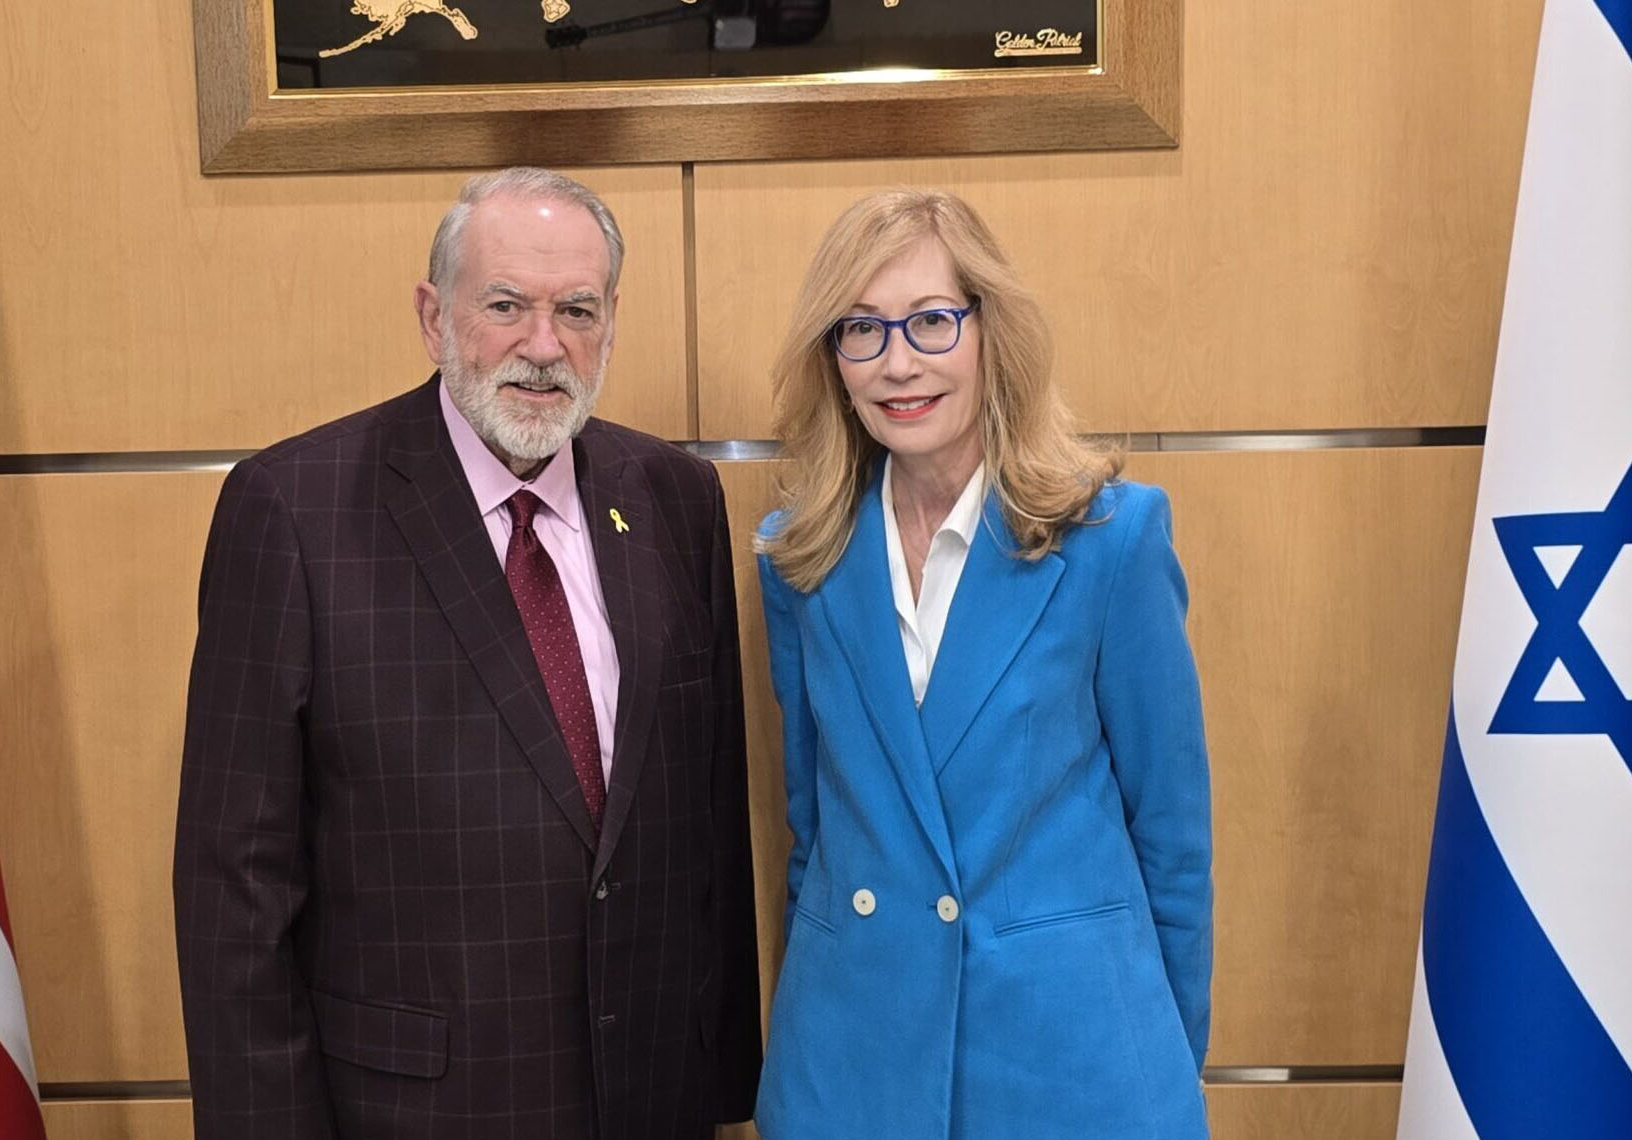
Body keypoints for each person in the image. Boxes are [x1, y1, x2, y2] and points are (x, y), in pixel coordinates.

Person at [174, 167, 761, 1140]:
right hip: (414, 1110)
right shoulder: (293, 511)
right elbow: (236, 885)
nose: (544, 345)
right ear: (433, 316)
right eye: (505, 305)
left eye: (576, 310)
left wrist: (720, 1087)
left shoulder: (674, 499)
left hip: (649, 1097)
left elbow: (708, 829)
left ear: (611, 322)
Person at [753, 189, 1212, 1140]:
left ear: (988, 329)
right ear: (832, 360)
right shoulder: (799, 557)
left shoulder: (1109, 540)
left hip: (1067, 1061)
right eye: (861, 330)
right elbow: (815, 830)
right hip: (854, 1056)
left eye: (930, 320)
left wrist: (1164, 1061)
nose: (898, 363)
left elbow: (1171, 836)